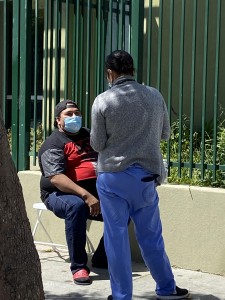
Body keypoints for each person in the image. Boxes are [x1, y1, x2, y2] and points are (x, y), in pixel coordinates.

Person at [90, 50, 189, 300]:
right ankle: (167, 288)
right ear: (133, 71)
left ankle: (122, 295)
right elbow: (165, 134)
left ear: (110, 74)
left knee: (116, 239)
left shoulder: (102, 100)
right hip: (145, 177)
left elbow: (97, 144)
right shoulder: (155, 95)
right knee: (151, 236)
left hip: (113, 178)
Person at [38, 99, 107, 286]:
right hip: (58, 193)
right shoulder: (53, 143)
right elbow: (56, 178)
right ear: (58, 121)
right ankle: (78, 267)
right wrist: (86, 196)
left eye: (77, 113)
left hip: (93, 190)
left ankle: (102, 257)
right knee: (77, 207)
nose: (74, 117)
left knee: (122, 206)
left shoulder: (88, 135)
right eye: (68, 114)